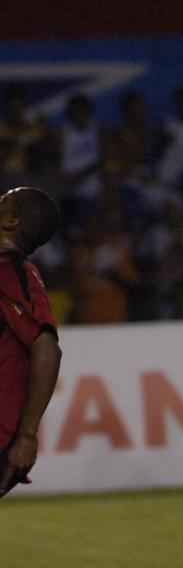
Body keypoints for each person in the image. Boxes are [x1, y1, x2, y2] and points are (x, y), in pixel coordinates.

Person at [0, 187, 63, 497]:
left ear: (11, 222)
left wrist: (27, 435)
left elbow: (46, 346)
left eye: (2, 202)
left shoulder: (10, 271)